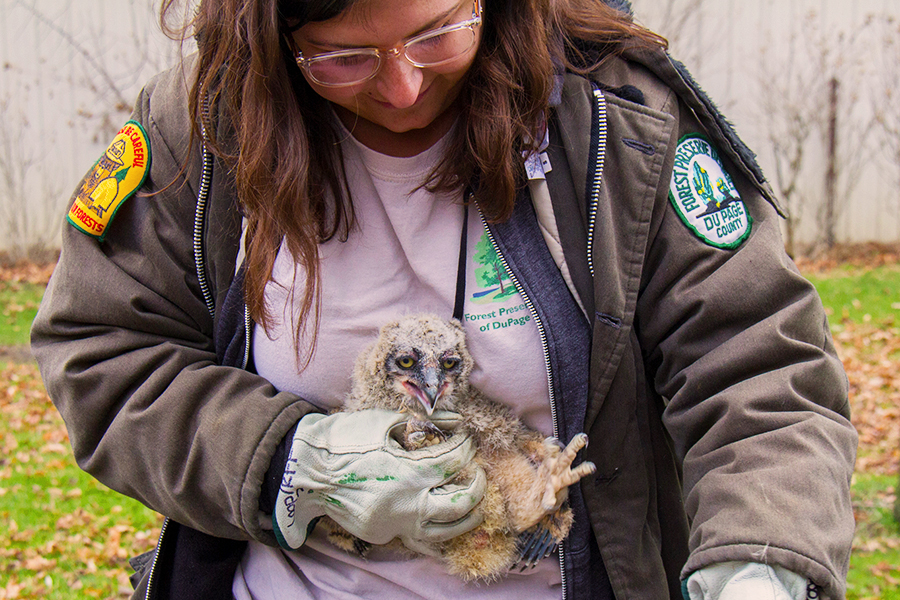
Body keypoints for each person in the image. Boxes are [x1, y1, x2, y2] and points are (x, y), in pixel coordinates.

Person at [31, 0, 857, 598]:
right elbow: (107, 353)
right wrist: (292, 464)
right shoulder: (201, 125)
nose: (400, 88)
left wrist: (760, 559)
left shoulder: (617, 116)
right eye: (343, 57)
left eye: (437, 32)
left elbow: (753, 363)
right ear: (274, 35)